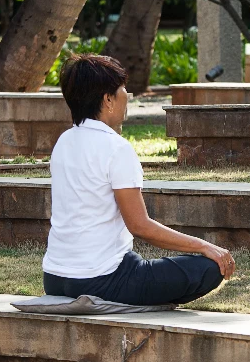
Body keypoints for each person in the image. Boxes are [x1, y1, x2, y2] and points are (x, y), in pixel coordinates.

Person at [42, 53, 235, 305]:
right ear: (108, 99)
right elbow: (140, 226)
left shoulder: (64, 141)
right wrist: (204, 247)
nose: (127, 97)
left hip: (55, 279)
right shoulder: (116, 148)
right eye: (123, 89)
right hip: (103, 280)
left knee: (150, 268)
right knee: (209, 267)